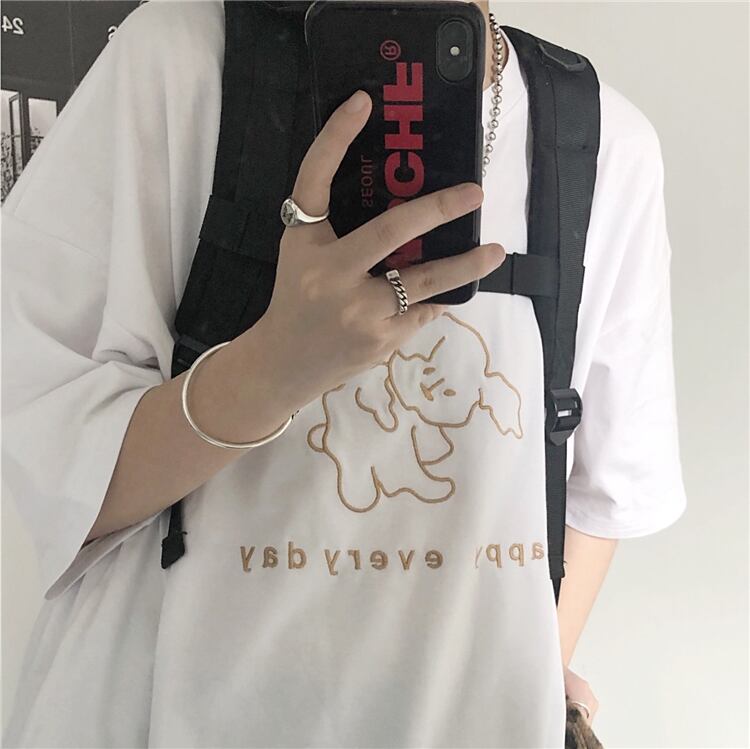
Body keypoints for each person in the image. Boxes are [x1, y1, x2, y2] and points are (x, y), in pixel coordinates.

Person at [2, 0, 687, 746]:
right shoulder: (180, 63)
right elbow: (57, 473)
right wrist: (272, 368)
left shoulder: (599, 140)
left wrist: (537, 689)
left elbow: (597, 495)